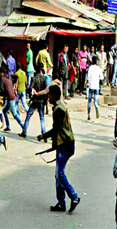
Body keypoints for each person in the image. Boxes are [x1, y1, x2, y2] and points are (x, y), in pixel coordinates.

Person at [37, 84, 80, 213]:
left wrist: (44, 135)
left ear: (54, 96)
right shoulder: (59, 107)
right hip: (64, 144)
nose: (48, 98)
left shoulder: (59, 110)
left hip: (65, 145)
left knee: (60, 174)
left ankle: (74, 196)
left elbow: (57, 129)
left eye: (49, 95)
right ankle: (61, 203)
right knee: (58, 174)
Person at [19, 64, 48, 138]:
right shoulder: (45, 78)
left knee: (28, 115)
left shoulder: (34, 78)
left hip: (35, 100)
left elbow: (30, 89)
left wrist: (33, 91)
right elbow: (46, 90)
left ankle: (24, 131)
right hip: (41, 100)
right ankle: (44, 133)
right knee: (42, 117)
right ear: (42, 70)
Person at [0, 67, 24, 132]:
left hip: (10, 98)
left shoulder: (2, 79)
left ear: (2, 73)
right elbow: (16, 76)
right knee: (4, 111)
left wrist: (3, 93)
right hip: (12, 96)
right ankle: (8, 126)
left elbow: (1, 88)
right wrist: (13, 84)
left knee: (14, 114)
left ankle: (23, 125)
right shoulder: (10, 76)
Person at [86, 56, 103, 120]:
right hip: (96, 86)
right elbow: (101, 77)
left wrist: (87, 83)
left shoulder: (90, 68)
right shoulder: (98, 68)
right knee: (96, 100)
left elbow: (88, 76)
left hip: (91, 86)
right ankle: (96, 106)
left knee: (89, 101)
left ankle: (89, 114)